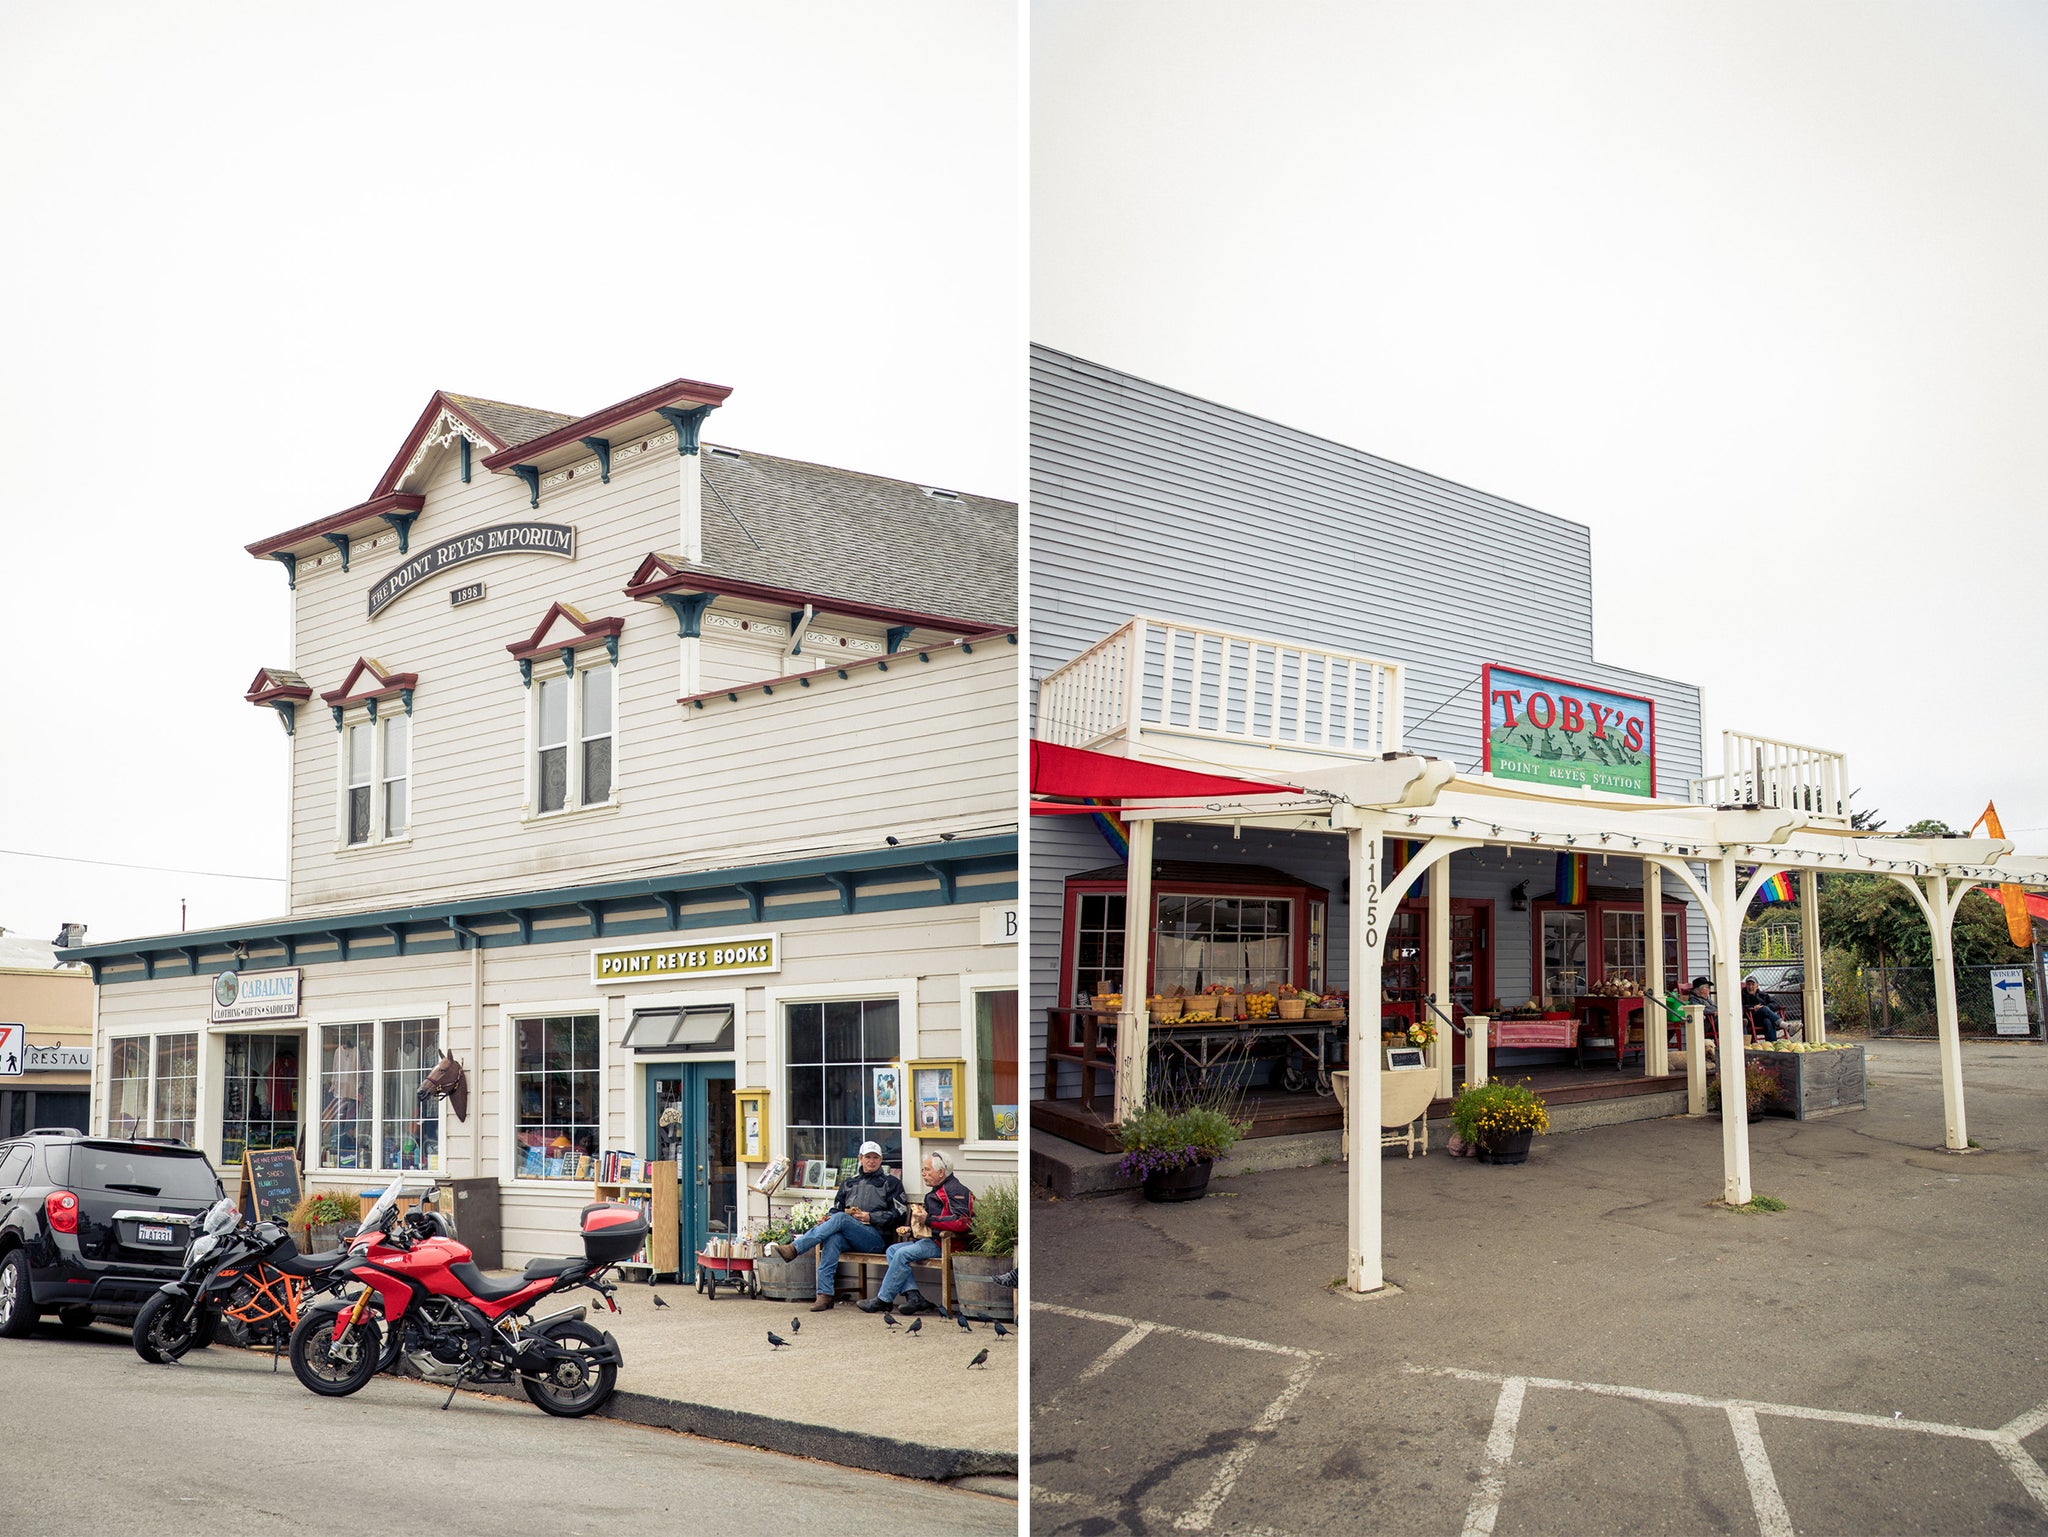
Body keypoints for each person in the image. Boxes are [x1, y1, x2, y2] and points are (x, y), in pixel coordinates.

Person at [772, 1141, 906, 1311]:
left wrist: (870, 1217)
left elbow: (900, 1214)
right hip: (851, 1236)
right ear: (860, 1159)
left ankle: (795, 1248)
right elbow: (837, 1209)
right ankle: (825, 1295)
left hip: (877, 1239)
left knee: (841, 1218)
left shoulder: (891, 1183)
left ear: (881, 1160)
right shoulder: (849, 1183)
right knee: (833, 1237)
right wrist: (828, 1218)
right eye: (867, 1157)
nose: (871, 1161)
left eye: (875, 1157)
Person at [858, 1151, 974, 1317]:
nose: (923, 1174)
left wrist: (928, 1219)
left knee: (902, 1253)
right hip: (932, 1240)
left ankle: (883, 1299)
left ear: (941, 1172)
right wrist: (912, 1230)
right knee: (892, 1250)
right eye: (922, 1170)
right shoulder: (936, 1191)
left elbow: (962, 1221)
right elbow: (932, 1223)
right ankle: (914, 1297)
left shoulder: (955, 1190)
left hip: (946, 1244)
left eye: (927, 1170)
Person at [1741, 976, 1785, 1042]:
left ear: (1757, 986)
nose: (1750, 987)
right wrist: (1753, 1008)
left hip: (1764, 1020)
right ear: (1746, 986)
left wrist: (1765, 1007)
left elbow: (1776, 1004)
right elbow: (1741, 1007)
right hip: (1751, 1019)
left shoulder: (1763, 995)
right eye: (1748, 984)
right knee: (1763, 1009)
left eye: (1752, 984)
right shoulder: (1742, 995)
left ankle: (1771, 1045)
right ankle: (1784, 1025)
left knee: (1767, 1020)